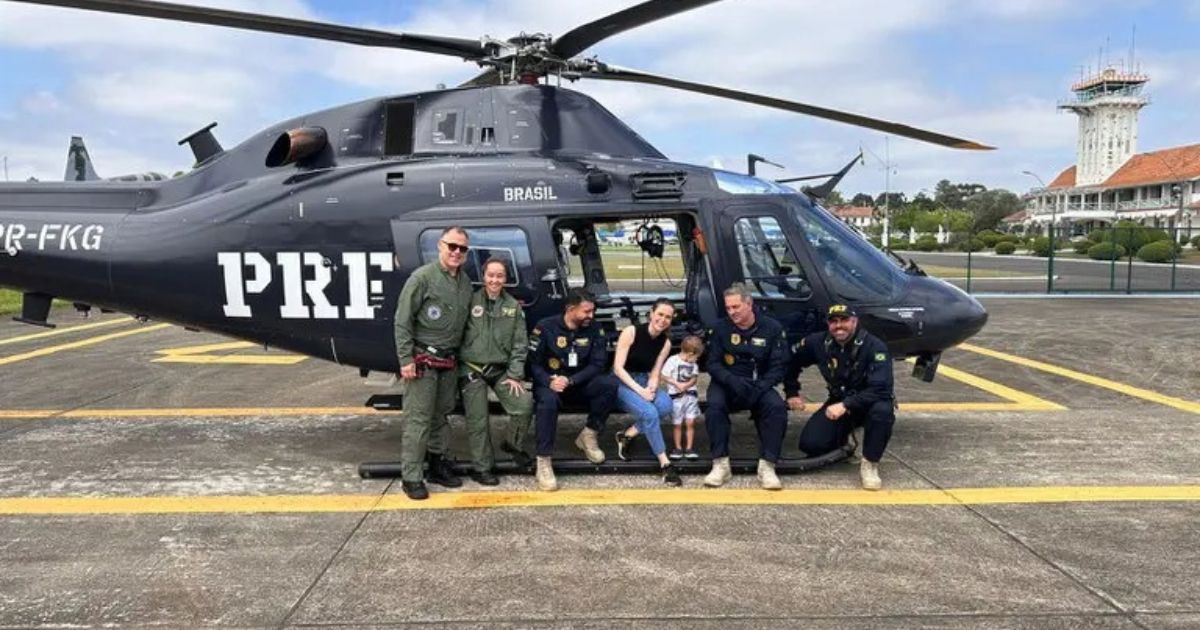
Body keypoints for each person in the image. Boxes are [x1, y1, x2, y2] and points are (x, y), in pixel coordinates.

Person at [393, 226, 474, 500]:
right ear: (440, 245)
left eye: (462, 249)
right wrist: (406, 359)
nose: (456, 252)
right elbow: (402, 321)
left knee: (441, 415)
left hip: (448, 362)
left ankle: (437, 465)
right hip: (422, 361)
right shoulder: (422, 278)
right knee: (418, 420)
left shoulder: (465, 282)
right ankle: (411, 476)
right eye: (452, 246)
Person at [786, 303, 895, 490]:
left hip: (870, 401)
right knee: (811, 444)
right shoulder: (819, 343)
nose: (839, 326)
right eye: (834, 321)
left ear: (855, 321)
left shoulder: (874, 347)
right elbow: (789, 361)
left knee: (882, 412)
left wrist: (846, 404)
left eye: (844, 320)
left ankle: (870, 463)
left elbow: (881, 389)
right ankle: (845, 443)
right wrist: (792, 392)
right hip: (839, 401)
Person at [529, 289, 619, 491]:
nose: (591, 316)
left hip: (578, 383)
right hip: (550, 384)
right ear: (570, 309)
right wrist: (549, 381)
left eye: (592, 311)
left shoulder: (594, 328)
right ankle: (543, 461)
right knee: (547, 402)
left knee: (610, 385)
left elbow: (598, 364)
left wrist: (570, 380)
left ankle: (589, 434)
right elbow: (533, 364)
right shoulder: (545, 327)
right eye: (586, 311)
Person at [703, 284, 790, 490]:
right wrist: (730, 380)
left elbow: (779, 366)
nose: (732, 312)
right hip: (728, 382)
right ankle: (720, 464)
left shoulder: (772, 328)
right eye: (728, 308)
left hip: (758, 383)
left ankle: (767, 466)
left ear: (749, 304)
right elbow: (712, 363)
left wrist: (761, 386)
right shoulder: (720, 328)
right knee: (714, 407)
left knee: (776, 408)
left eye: (736, 307)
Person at [458, 257, 534, 486]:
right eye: (491, 275)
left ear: (506, 278)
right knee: (478, 420)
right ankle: (482, 467)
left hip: (500, 370)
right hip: (471, 368)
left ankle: (513, 444)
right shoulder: (469, 302)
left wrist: (515, 374)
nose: (494, 279)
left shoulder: (513, 307)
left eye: (499, 275)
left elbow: (520, 344)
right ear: (484, 277)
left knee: (524, 405)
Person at [612, 298, 681, 486]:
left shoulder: (665, 342)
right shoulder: (631, 332)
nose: (663, 319)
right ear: (651, 313)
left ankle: (628, 434)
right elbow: (618, 368)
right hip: (622, 382)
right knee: (650, 412)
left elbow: (655, 372)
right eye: (660, 314)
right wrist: (641, 392)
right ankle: (665, 463)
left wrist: (651, 386)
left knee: (666, 405)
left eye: (668, 317)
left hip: (644, 379)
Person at [661, 335, 704, 461]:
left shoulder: (693, 364)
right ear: (690, 353)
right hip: (676, 398)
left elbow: (694, 378)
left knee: (690, 422)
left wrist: (687, 385)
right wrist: (676, 384)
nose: (696, 360)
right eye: (696, 357)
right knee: (677, 423)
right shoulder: (673, 361)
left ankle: (689, 448)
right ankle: (678, 448)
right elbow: (663, 375)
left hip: (690, 397)